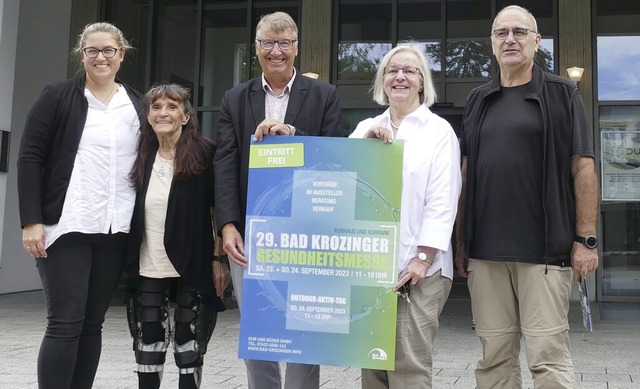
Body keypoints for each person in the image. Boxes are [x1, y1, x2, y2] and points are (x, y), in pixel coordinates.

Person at [455, 5, 599, 388]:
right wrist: (460, 239)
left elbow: (583, 167)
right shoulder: (478, 99)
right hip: (486, 253)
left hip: (544, 254)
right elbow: (465, 173)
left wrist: (585, 239)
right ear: (492, 43)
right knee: (494, 361)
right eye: (501, 33)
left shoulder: (562, 93)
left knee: (548, 360)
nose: (510, 39)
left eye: (520, 32)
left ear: (537, 42)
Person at [213, 11, 343, 389]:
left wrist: (292, 134)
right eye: (268, 42)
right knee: (258, 324)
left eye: (284, 42)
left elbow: (334, 158)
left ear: (296, 48)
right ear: (256, 49)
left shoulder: (324, 94)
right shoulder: (235, 98)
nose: (276, 51)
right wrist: (227, 225)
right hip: (250, 233)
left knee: (304, 324)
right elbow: (224, 163)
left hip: (306, 231)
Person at [16, 22, 144, 389]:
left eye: (108, 50)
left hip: (114, 229)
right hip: (66, 226)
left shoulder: (136, 104)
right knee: (65, 322)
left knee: (92, 323)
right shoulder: (57, 96)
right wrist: (31, 221)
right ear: (82, 55)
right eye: (93, 51)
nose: (100, 57)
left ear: (122, 54)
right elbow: (30, 158)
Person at [349, 44, 461, 389]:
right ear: (383, 81)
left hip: (420, 272)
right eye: (392, 70)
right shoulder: (365, 126)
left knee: (407, 368)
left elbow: (443, 202)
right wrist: (363, 146)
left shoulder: (438, 131)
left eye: (409, 71)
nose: (400, 76)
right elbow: (339, 184)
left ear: (422, 83)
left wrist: (422, 259)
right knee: (372, 366)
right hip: (371, 269)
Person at [126, 83, 226, 389]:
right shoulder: (140, 154)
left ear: (185, 116)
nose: (163, 113)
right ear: (148, 116)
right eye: (156, 107)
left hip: (192, 259)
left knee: (189, 342)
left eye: (172, 107)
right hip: (148, 258)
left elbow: (220, 209)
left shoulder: (206, 153)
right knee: (149, 339)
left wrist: (218, 259)